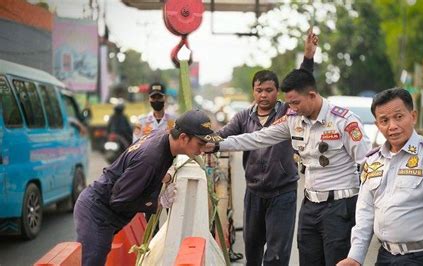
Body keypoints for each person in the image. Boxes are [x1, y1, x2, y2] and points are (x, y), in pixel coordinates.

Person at [206, 69, 371, 265]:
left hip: (340, 207)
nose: (291, 107)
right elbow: (258, 138)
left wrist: (367, 211)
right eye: (289, 103)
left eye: (295, 102)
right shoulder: (293, 119)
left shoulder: (344, 122)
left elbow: (368, 165)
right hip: (310, 206)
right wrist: (217, 145)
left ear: (311, 95)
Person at [216, 30, 318, 266]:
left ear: (277, 92)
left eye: (269, 90)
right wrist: (201, 138)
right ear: (253, 91)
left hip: (282, 193)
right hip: (254, 192)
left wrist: (308, 57)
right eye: (259, 90)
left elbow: (302, 82)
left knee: (275, 255)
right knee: (252, 251)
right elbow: (222, 136)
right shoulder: (243, 117)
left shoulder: (288, 113)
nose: (263, 95)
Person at [74, 110, 221, 266]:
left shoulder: (162, 138)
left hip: (105, 209)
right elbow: (119, 201)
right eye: (200, 143)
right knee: (92, 261)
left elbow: (140, 171)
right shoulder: (150, 159)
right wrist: (157, 202)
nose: (202, 149)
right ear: (183, 137)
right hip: (97, 211)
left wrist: (164, 177)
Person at [337, 88, 423, 266]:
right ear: (377, 125)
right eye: (384, 120)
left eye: (399, 117)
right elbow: (365, 212)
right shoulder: (373, 160)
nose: (392, 126)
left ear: (413, 116)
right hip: (385, 256)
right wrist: (355, 256)